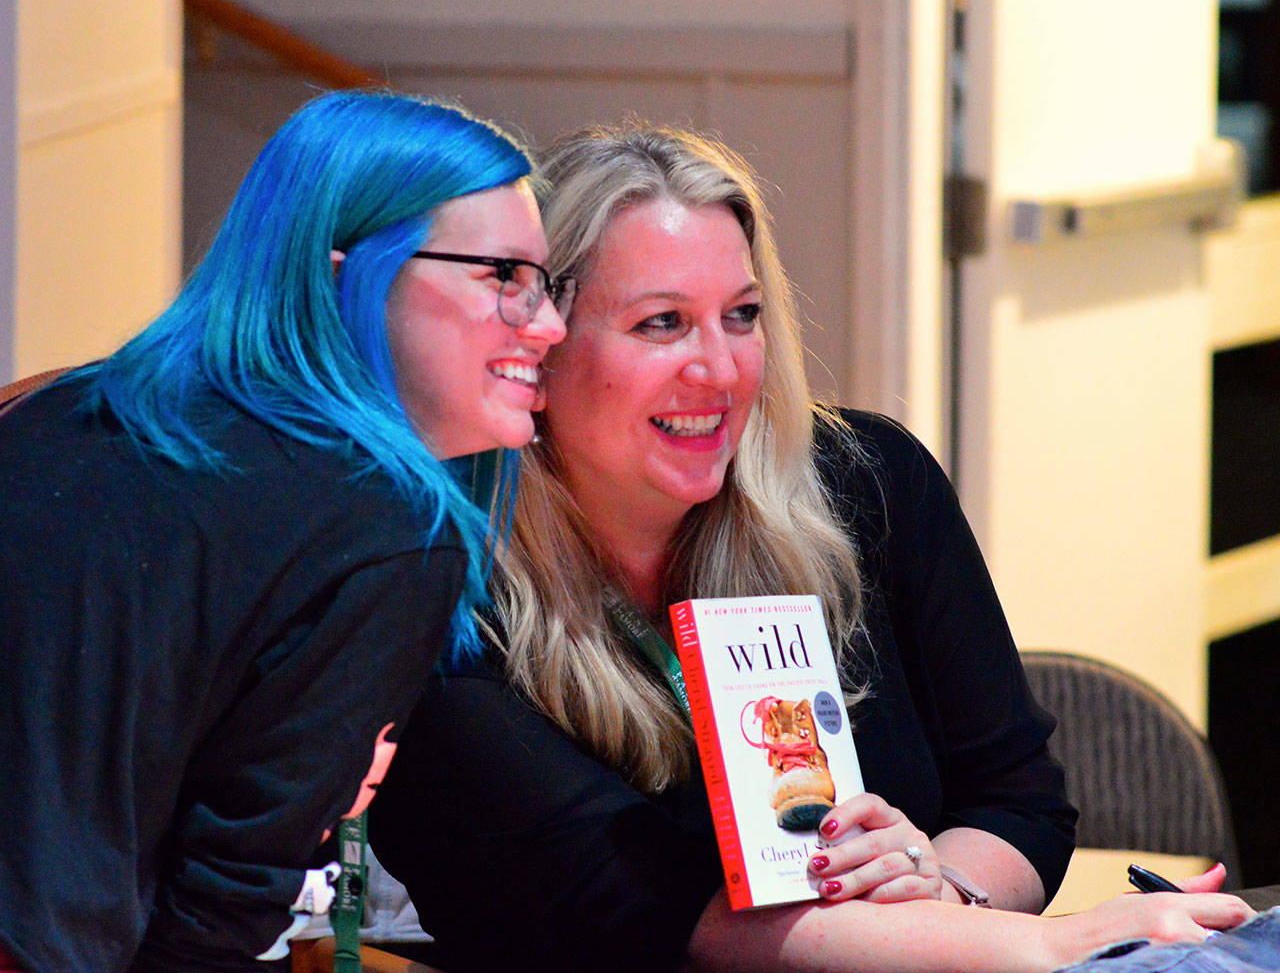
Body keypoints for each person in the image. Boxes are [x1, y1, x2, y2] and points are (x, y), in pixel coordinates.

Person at [368, 123, 1253, 972]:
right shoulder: (432, 585)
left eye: (742, 315)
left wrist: (937, 887)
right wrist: (1059, 945)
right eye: (661, 324)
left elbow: (1015, 795)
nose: (719, 370)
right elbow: (651, 911)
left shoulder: (868, 482)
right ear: (541, 349)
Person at [0, 89, 567, 973]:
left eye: (547, 281)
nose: (550, 325)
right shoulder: (388, 530)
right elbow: (219, 906)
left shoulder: (53, 407)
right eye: (504, 277)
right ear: (347, 273)